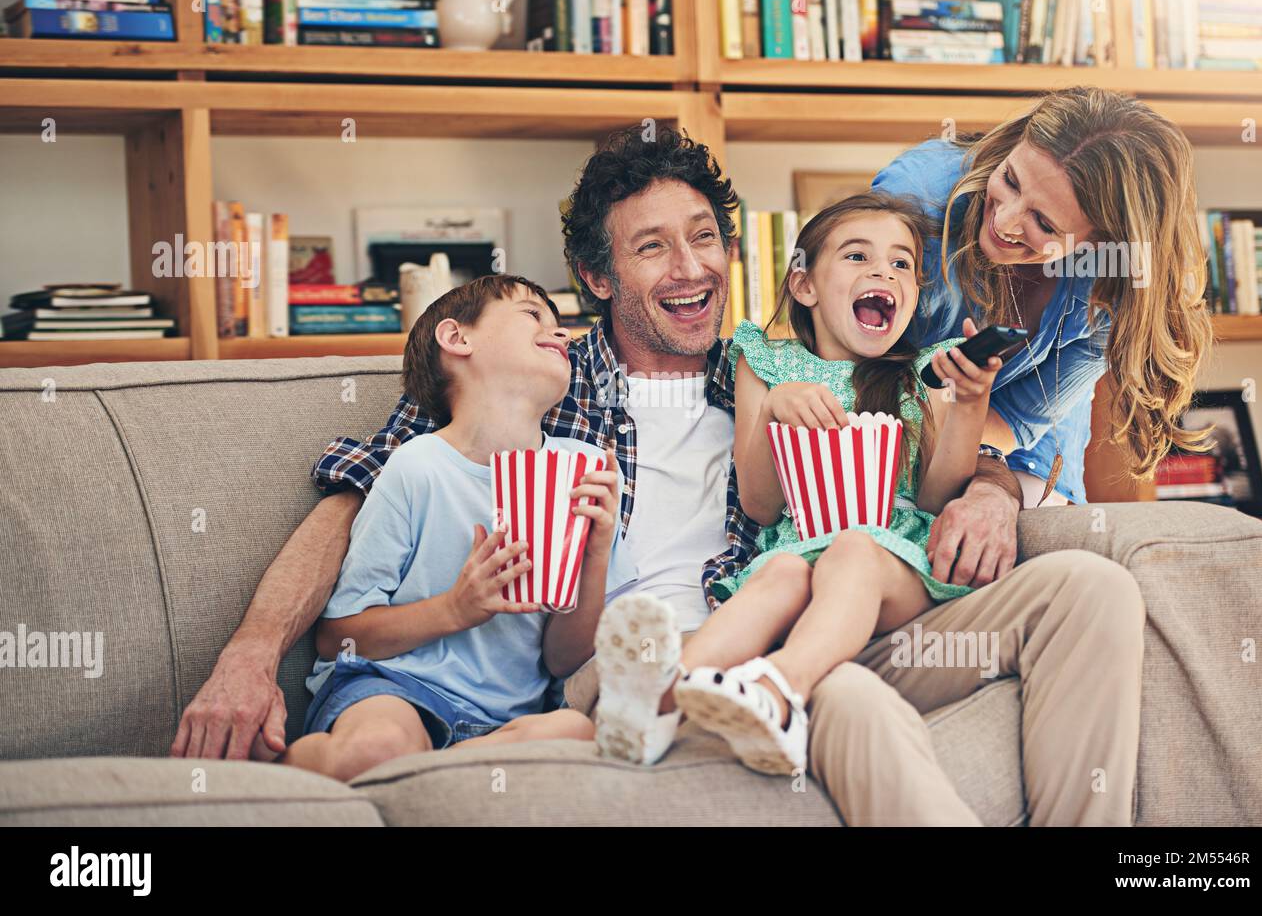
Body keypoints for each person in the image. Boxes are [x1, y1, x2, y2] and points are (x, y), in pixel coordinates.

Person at [175, 119, 1147, 826]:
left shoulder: (779, 369)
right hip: (643, 669)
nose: (689, 269)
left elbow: (910, 476)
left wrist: (988, 476)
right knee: (844, 703)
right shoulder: (541, 374)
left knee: (1092, 585)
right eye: (651, 248)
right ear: (597, 279)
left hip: (795, 632)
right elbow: (359, 491)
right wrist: (255, 649)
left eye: (704, 239)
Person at [592, 192, 998, 775]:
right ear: (804, 285)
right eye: (858, 257)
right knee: (779, 571)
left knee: (855, 548)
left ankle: (780, 693)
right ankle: (651, 705)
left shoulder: (926, 371)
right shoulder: (766, 363)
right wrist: (773, 413)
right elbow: (759, 506)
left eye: (901, 263)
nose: (883, 271)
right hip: (798, 549)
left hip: (897, 562)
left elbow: (936, 497)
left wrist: (968, 406)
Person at [280, 275, 630, 781]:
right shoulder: (417, 466)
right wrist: (454, 609)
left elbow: (561, 661)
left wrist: (594, 557)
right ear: (457, 339)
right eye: (534, 316)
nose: (560, 335)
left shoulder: (585, 470)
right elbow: (338, 638)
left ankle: (434, 772)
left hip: (506, 715)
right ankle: (300, 763)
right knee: (379, 746)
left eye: (561, 327)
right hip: (394, 686)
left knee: (576, 736)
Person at [870, 85, 1213, 513]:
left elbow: (1015, 421)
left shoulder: (1112, 288)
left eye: (1044, 223)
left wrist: (988, 476)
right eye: (1011, 180)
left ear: (1101, 242)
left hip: (1008, 440)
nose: (1005, 220)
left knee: (1034, 539)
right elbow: (843, 352)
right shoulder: (917, 196)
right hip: (883, 412)